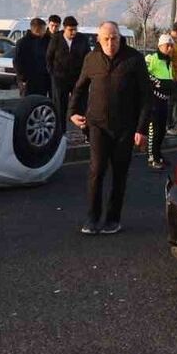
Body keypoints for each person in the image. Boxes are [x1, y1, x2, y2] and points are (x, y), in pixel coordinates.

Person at [69, 22, 151, 235]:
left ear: (119, 37)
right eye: (106, 38)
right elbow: (79, 88)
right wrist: (72, 113)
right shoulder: (92, 59)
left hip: (125, 127)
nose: (110, 43)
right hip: (97, 125)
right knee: (96, 170)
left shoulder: (133, 59)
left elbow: (145, 97)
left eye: (114, 38)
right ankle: (92, 217)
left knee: (119, 173)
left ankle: (113, 218)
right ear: (99, 39)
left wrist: (141, 129)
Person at [46, 16, 88, 120]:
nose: (73, 32)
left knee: (80, 106)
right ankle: (61, 132)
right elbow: (49, 57)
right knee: (60, 107)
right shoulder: (56, 38)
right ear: (64, 29)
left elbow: (87, 57)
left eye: (75, 30)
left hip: (77, 78)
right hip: (59, 79)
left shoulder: (82, 39)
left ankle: (84, 131)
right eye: (70, 30)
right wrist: (53, 74)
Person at [144, 34, 176, 169]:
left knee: (162, 130)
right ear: (160, 46)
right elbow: (143, 73)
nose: (170, 48)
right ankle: (152, 157)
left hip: (165, 100)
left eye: (171, 46)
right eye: (167, 46)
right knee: (154, 129)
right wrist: (156, 82)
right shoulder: (152, 59)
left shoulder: (168, 61)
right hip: (154, 100)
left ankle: (158, 154)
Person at [13, 17, 51, 96]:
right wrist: (22, 78)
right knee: (28, 103)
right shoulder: (23, 43)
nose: (45, 31)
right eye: (44, 29)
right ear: (38, 30)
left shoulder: (45, 41)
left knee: (40, 102)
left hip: (42, 81)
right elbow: (17, 62)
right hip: (28, 81)